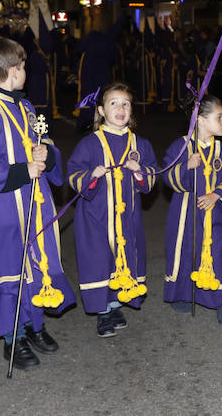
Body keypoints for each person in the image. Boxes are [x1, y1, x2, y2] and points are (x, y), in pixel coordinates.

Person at [0, 37, 75, 370]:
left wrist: (46, 155)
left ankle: (35, 325)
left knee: (35, 266)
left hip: (32, 203)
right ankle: (14, 338)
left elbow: (44, 144)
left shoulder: (25, 107)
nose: (26, 71)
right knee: (10, 272)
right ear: (12, 71)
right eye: (23, 66)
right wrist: (25, 169)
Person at [67, 83, 158, 337]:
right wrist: (91, 176)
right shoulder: (89, 144)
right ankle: (103, 311)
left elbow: (151, 178)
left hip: (128, 217)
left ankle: (116, 304)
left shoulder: (140, 144)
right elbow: (73, 174)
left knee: (125, 256)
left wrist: (140, 171)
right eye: (114, 103)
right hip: (96, 218)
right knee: (99, 260)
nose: (120, 108)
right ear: (101, 111)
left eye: (126, 104)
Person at [162, 95, 222, 323]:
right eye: (219, 117)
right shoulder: (181, 146)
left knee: (217, 254)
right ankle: (181, 296)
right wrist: (186, 166)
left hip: (213, 215)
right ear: (200, 120)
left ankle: (221, 302)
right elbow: (167, 176)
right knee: (185, 252)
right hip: (185, 215)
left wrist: (217, 194)